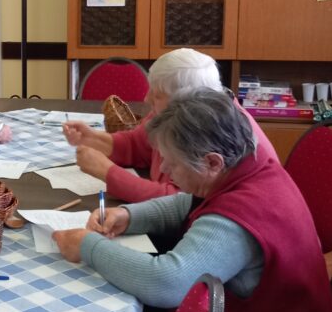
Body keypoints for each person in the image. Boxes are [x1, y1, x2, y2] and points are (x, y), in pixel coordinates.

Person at [54, 89, 332, 312]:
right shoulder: (250, 167)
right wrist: (129, 215)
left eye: (172, 164)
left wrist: (88, 247)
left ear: (213, 162)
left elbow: (167, 282)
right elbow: (188, 201)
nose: (166, 172)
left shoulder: (238, 220)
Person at [63, 47, 275, 202]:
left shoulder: (215, 132)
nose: (146, 99)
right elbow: (139, 144)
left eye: (157, 95)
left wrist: (108, 173)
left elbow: (180, 202)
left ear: (188, 100)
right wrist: (94, 138)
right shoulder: (176, 114)